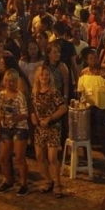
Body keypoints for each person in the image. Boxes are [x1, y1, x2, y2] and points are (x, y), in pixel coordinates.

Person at [29, 65, 67, 196]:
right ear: (38, 77)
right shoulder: (34, 92)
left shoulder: (53, 92)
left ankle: (58, 184)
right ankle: (48, 180)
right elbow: (32, 107)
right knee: (40, 156)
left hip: (53, 128)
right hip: (40, 128)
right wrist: (33, 116)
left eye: (46, 75)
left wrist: (50, 119)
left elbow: (63, 108)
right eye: (42, 75)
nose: (44, 77)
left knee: (52, 157)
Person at [77, 47, 105, 170]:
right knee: (86, 135)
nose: (94, 60)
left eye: (95, 57)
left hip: (102, 109)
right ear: (86, 60)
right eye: (91, 58)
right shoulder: (83, 73)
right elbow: (80, 90)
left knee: (104, 135)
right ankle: (88, 159)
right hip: (88, 109)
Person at [0, 68, 31, 195]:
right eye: (6, 81)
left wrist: (14, 118)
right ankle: (8, 180)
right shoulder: (1, 95)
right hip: (5, 128)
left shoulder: (20, 96)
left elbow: (25, 114)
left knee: (19, 157)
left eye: (11, 81)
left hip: (19, 128)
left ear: (15, 82)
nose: (8, 83)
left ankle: (24, 184)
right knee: (3, 157)